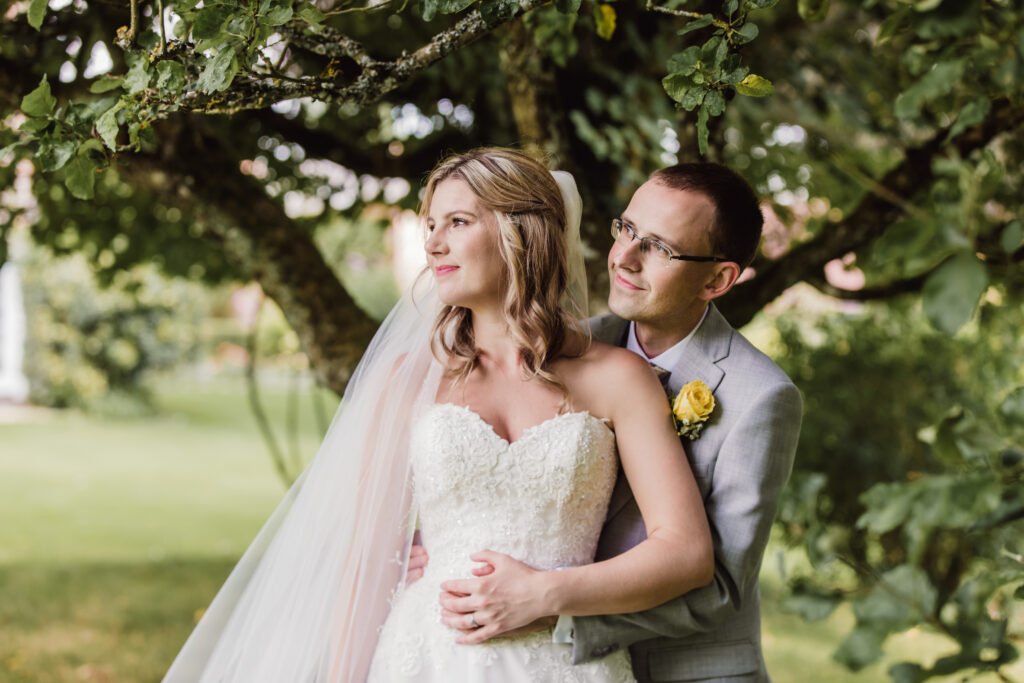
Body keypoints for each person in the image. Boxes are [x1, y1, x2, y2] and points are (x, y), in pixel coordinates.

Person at [162, 148, 713, 683]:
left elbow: (686, 552)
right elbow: (365, 568)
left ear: (521, 233)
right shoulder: (406, 381)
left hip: (567, 661)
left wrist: (547, 592)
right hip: (425, 657)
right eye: (429, 225)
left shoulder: (618, 378)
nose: (433, 243)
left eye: (457, 221)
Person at [428, 162, 804, 682]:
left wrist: (547, 606)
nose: (624, 258)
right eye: (626, 229)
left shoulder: (760, 397)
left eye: (659, 248)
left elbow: (720, 583)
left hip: (683, 668)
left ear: (718, 279)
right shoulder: (569, 348)